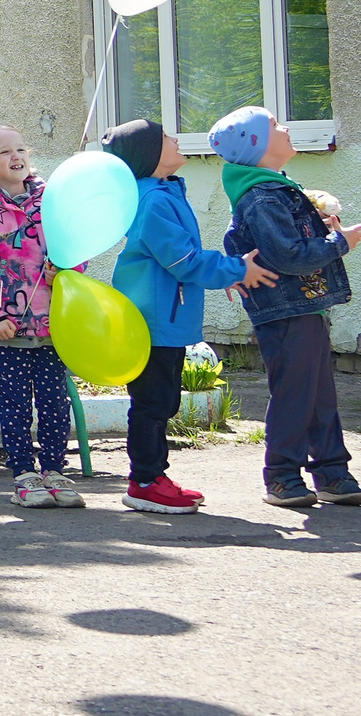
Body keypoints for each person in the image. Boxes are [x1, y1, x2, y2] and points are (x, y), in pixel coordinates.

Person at [103, 117, 273, 515]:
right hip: (154, 323)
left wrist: (225, 272)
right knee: (152, 403)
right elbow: (182, 260)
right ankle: (144, 481)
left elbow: (183, 261)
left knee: (161, 402)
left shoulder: (162, 192)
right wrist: (236, 270)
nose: (175, 139)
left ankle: (153, 477)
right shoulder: (154, 200)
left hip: (165, 320)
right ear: (149, 154)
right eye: (164, 137)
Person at [213, 105, 361, 509]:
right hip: (286, 310)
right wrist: (340, 243)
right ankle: (283, 476)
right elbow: (286, 255)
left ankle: (332, 473)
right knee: (294, 394)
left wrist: (322, 226)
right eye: (274, 125)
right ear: (258, 144)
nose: (285, 129)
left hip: (304, 306)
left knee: (319, 394)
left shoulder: (275, 187)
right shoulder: (261, 196)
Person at [0, 125, 79, 510]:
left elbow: (74, 244)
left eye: (21, 148)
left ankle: (55, 470)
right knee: (15, 404)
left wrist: (70, 270)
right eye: (5, 152)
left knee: (55, 402)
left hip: (52, 324)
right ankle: (24, 475)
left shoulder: (49, 202)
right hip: (6, 330)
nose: (16, 156)